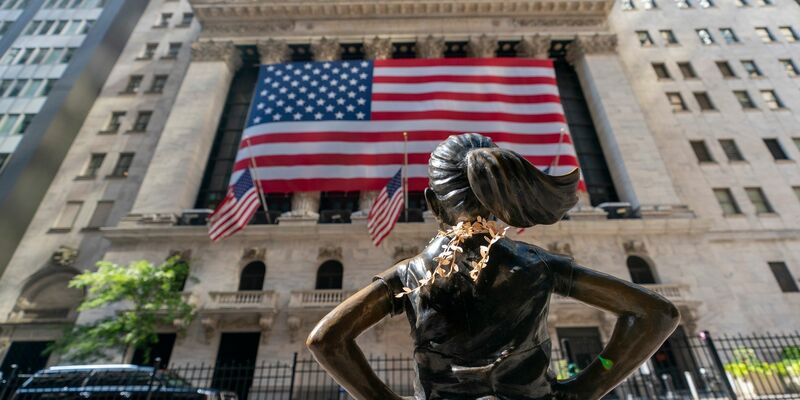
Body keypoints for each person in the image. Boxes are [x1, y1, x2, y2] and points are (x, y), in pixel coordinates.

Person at [307, 133, 680, 400]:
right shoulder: (538, 265)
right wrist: (587, 386)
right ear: (502, 200)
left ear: (433, 204)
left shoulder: (411, 275)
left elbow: (326, 339)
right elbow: (656, 313)